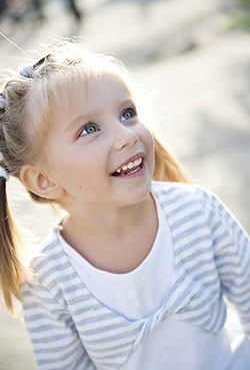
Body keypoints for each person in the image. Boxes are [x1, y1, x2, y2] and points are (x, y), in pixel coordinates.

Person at [0, 41, 249, 370]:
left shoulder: (198, 212)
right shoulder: (49, 282)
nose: (127, 135)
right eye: (89, 129)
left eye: (127, 113)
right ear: (44, 180)